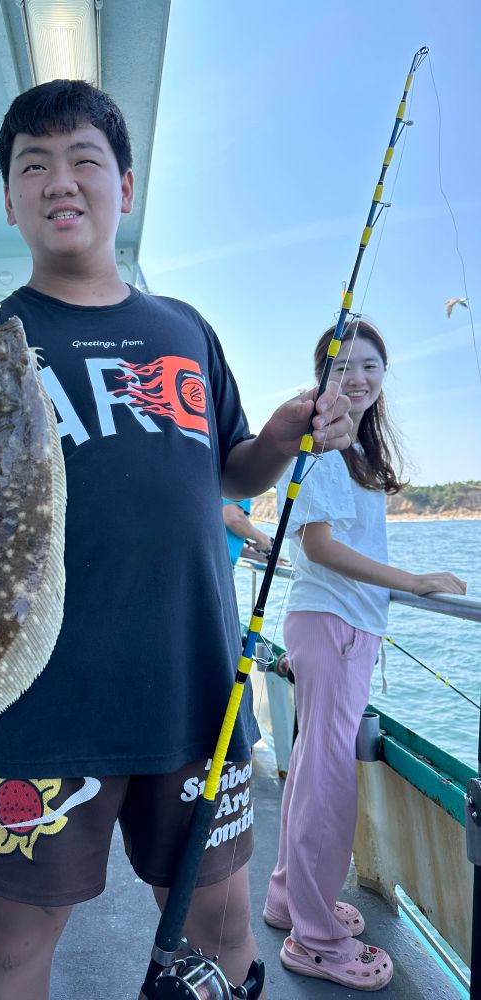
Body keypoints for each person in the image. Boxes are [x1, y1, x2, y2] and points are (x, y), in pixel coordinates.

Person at [0, 79, 353, 1000]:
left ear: (125, 184)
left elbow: (229, 471)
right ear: (8, 199)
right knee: (11, 936)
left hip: (193, 686)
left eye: (85, 160)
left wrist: (279, 440)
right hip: (29, 700)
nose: (60, 183)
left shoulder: (185, 330)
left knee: (221, 920)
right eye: (32, 166)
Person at [263, 320, 467, 990]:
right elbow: (318, 547)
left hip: (341, 627)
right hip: (333, 629)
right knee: (328, 786)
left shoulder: (352, 448)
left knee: (316, 776)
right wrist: (413, 582)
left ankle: (290, 898)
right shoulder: (320, 445)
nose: (357, 377)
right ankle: (315, 940)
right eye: (342, 366)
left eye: (370, 366)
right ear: (320, 375)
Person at [222, 498, 275, 565]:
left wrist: (263, 557)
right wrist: (263, 539)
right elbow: (233, 518)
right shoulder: (238, 488)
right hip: (218, 565)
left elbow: (228, 545)